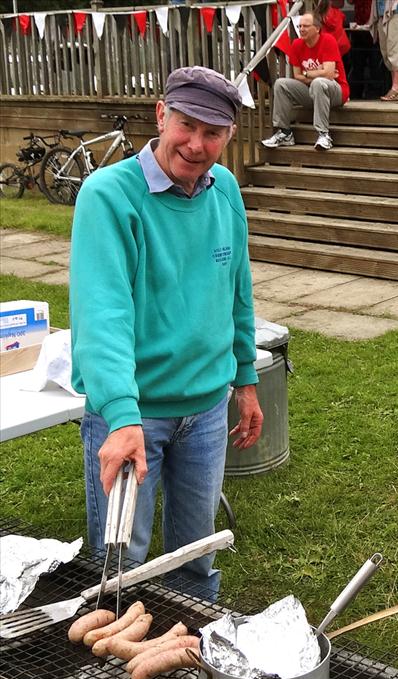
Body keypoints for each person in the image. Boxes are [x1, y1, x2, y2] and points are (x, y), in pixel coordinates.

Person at [70, 66, 263, 601]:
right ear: (161, 115)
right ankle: (112, 672)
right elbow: (102, 314)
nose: (197, 145)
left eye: (213, 133)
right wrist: (122, 416)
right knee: (121, 565)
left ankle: (185, 669)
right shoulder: (109, 196)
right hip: (135, 415)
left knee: (195, 560)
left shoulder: (224, 189)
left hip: (205, 410)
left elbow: (237, 291)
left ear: (228, 136)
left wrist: (245, 379)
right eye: (186, 125)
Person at [261, 13, 350, 152]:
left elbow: (329, 74)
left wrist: (310, 74)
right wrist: (316, 72)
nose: (301, 29)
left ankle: (323, 135)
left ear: (317, 29)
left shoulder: (328, 40)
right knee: (281, 84)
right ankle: (284, 132)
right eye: (300, 26)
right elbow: (297, 76)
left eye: (306, 26)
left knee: (319, 83)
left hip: (337, 92)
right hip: (312, 91)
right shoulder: (296, 44)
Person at [377, 0, 398, 101]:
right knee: (386, 50)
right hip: (382, 10)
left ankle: (396, 87)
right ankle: (394, 86)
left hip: (397, 9)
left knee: (394, 48)